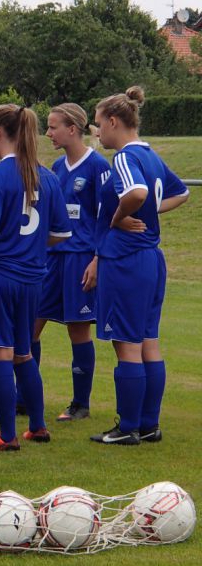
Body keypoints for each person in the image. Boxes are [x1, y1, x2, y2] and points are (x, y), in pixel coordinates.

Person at [0, 104, 72, 452]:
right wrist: (30, 245)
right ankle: (38, 427)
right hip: (32, 279)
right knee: (23, 352)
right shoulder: (48, 177)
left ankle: (7, 435)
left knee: (0, 353)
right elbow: (60, 234)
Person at [90, 86, 189, 445]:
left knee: (127, 344)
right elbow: (181, 192)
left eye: (99, 124)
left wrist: (118, 217)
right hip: (151, 259)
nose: (97, 132)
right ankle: (149, 424)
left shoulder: (124, 157)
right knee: (149, 342)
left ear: (114, 122)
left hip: (126, 260)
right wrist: (149, 213)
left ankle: (128, 427)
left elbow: (137, 193)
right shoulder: (151, 155)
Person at [33, 104, 110, 422]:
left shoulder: (98, 166)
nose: (48, 133)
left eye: (53, 127)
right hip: (52, 259)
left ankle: (80, 404)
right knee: (30, 324)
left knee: (78, 331)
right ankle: (25, 397)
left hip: (81, 260)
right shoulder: (56, 167)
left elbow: (106, 218)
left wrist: (97, 259)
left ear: (72, 129)